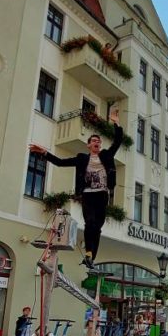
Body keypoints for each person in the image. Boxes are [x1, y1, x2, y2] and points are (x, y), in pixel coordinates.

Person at [29, 106, 123, 269]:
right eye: (94, 141)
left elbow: (118, 142)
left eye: (99, 142)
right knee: (90, 223)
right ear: (88, 145)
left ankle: (91, 257)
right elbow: (60, 162)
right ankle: (88, 254)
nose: (97, 143)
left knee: (97, 228)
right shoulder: (81, 158)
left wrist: (116, 124)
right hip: (87, 194)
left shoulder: (107, 155)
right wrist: (44, 153)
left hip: (102, 195)